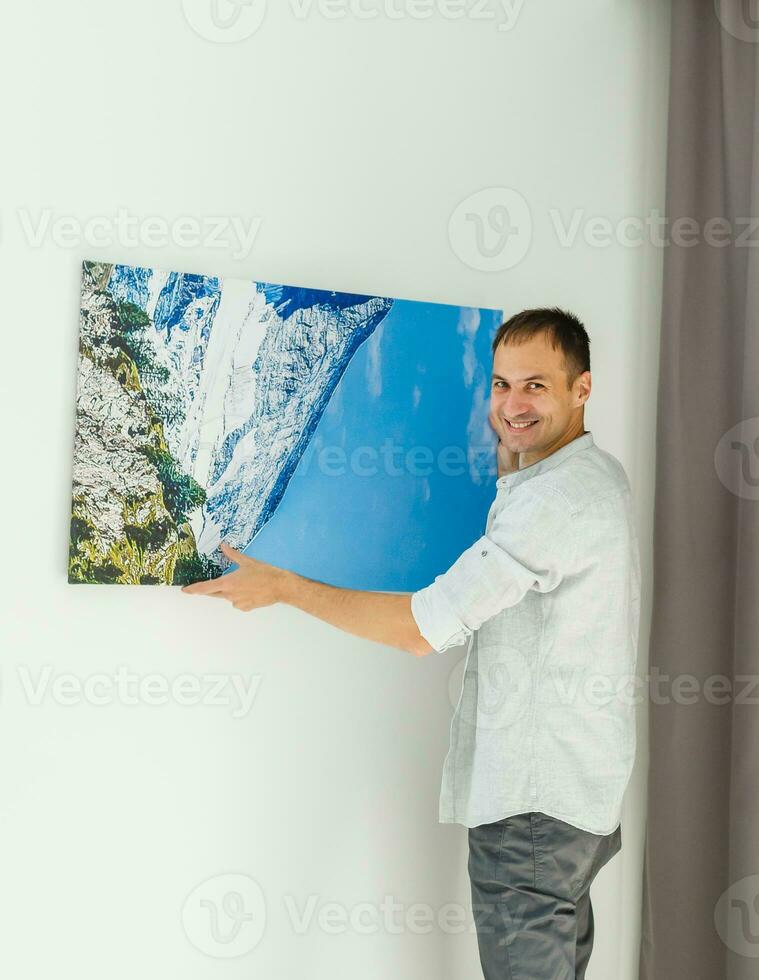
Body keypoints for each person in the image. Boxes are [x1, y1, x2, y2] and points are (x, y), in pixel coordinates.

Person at [183, 307, 641, 979]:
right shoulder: (591, 478)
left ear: (582, 388)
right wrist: (512, 467)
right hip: (580, 801)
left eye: (536, 386)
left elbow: (420, 629)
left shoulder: (555, 501)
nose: (512, 404)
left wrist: (282, 587)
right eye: (502, 385)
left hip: (534, 815)